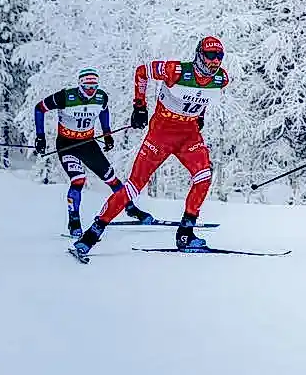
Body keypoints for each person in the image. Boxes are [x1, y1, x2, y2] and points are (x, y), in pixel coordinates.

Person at [70, 37, 229, 257]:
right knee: (134, 186)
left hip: (189, 136)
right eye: (210, 56)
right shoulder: (175, 71)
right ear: (199, 55)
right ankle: (92, 234)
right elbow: (142, 72)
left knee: (203, 178)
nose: (215, 62)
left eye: (219, 57)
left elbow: (204, 97)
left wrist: (199, 115)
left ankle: (185, 234)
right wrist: (139, 106)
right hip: (160, 135)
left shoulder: (221, 79)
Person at [34, 68, 147, 237]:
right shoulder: (65, 97)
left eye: (94, 86)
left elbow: (104, 111)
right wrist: (40, 137)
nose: (91, 90)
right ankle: (74, 222)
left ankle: (130, 208)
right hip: (67, 144)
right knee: (78, 179)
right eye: (87, 87)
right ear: (80, 85)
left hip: (88, 143)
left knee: (111, 178)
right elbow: (39, 108)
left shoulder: (101, 97)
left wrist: (107, 134)